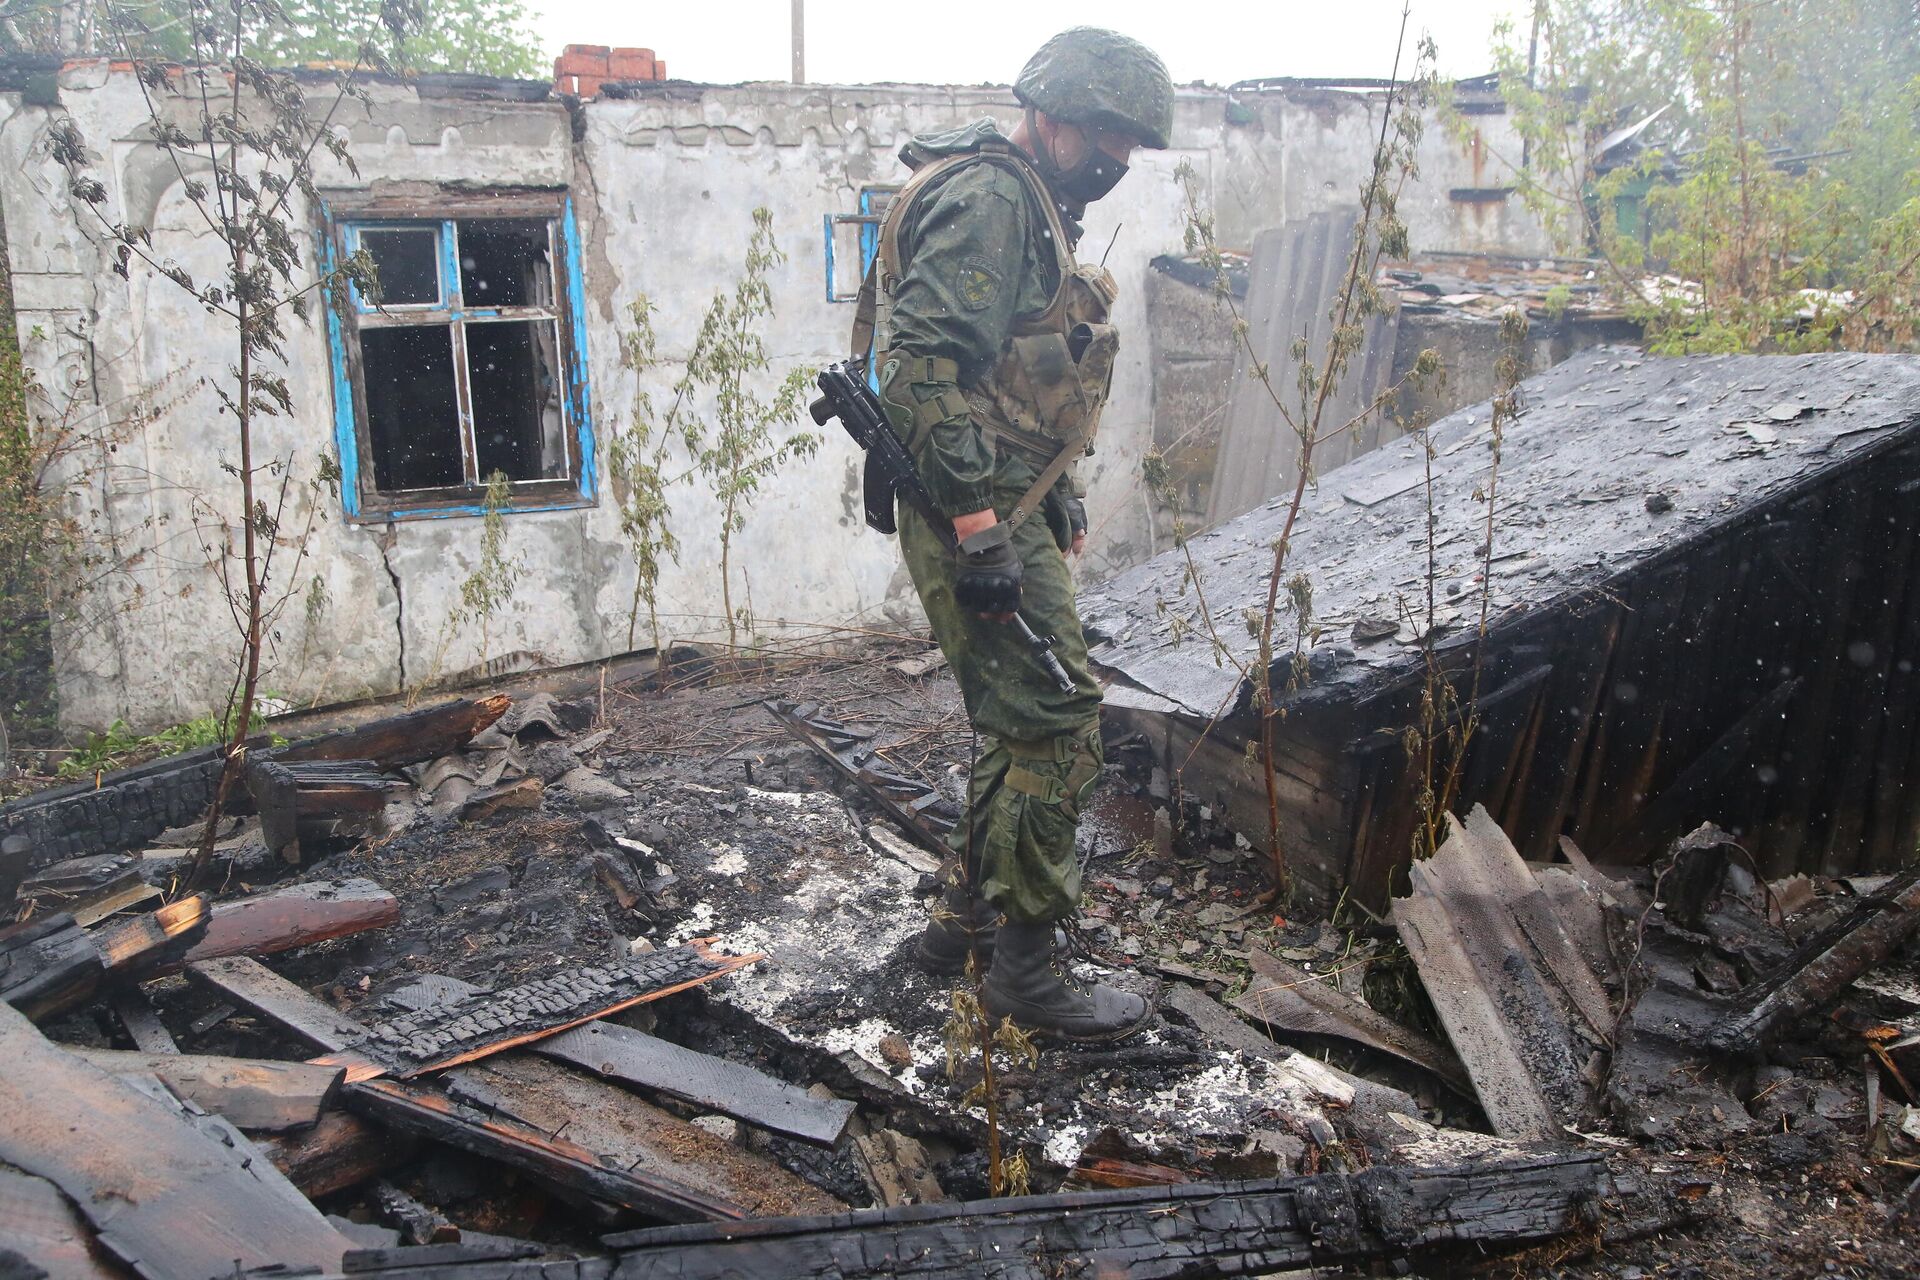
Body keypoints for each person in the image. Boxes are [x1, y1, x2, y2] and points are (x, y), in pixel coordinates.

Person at [849, 27, 1174, 1043]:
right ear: (1053, 114)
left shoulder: (1032, 198)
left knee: (1018, 715)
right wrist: (982, 527)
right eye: (1106, 135)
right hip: (967, 504)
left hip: (999, 494)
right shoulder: (993, 198)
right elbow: (921, 370)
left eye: (1132, 143)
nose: (1118, 159)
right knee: (1056, 717)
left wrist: (1052, 499)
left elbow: (1017, 374)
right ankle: (1026, 967)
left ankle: (962, 925)